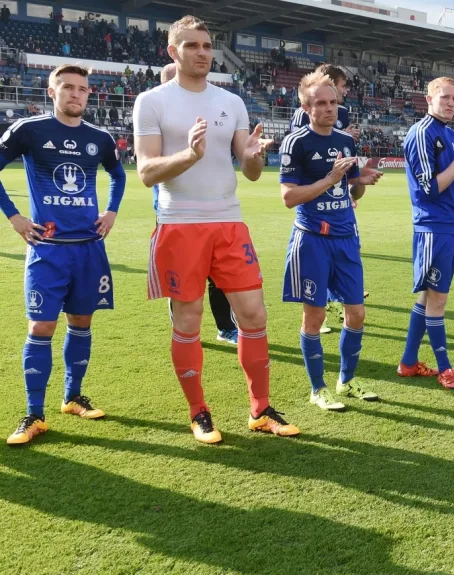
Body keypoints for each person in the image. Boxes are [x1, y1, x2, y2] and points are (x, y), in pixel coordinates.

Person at [134, 15, 296, 444]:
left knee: (253, 314)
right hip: (179, 224)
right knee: (189, 319)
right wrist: (188, 155)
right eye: (192, 46)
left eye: (207, 46)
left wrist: (257, 154)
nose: (202, 53)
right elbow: (146, 172)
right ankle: (199, 412)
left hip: (228, 222)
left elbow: (252, 171)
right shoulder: (152, 101)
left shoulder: (232, 102)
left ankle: (260, 410)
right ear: (174, 52)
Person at [0, 64, 126, 444]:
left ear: (89, 95)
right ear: (52, 92)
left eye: (82, 89)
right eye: (67, 87)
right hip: (47, 249)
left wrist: (111, 210)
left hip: (88, 250)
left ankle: (73, 397)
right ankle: (33, 414)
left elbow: (117, 175)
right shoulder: (30, 130)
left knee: (81, 323)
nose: (76, 94)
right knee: (41, 327)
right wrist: (15, 216)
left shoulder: (99, 137)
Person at [280, 71, 384, 411]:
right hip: (313, 240)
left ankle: (346, 380)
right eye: (321, 103)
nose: (329, 109)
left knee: (356, 313)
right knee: (313, 318)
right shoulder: (296, 142)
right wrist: (329, 178)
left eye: (333, 102)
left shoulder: (346, 141)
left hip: (345, 237)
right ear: (306, 106)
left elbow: (352, 188)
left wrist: (363, 177)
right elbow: (289, 197)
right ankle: (317, 388)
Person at [397, 77, 454, 390]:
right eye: (445, 97)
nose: (450, 103)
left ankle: (408, 362)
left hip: (450, 224)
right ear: (429, 98)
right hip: (433, 226)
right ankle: (445, 368)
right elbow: (430, 188)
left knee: (429, 296)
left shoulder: (450, 135)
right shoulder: (421, 133)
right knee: (438, 300)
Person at [157, 63, 238, 345]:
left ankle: (225, 327)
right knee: (182, 283)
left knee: (218, 276)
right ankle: (183, 328)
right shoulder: (158, 113)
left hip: (216, 212)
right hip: (176, 216)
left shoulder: (209, 109)